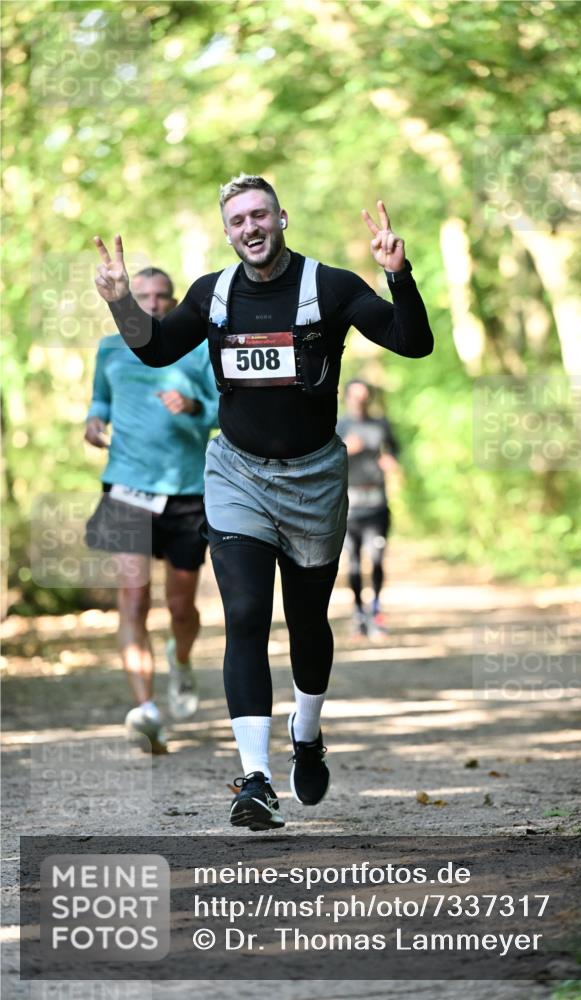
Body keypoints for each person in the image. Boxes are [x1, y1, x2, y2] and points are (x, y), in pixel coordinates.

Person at [92, 174, 433, 829]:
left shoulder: (329, 287)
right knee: (246, 613)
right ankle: (255, 779)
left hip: (313, 479)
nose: (249, 227)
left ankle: (307, 734)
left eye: (259, 215)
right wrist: (119, 303)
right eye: (237, 219)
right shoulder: (212, 294)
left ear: (281, 218)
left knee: (307, 623)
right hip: (237, 475)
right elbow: (157, 346)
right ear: (228, 231)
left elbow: (411, 341)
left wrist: (397, 273)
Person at [85, 267, 219, 754]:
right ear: (130, 299)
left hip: (186, 493)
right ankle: (146, 709)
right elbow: (101, 396)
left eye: (164, 296)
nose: (155, 303)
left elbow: (226, 409)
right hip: (127, 488)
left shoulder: (199, 348)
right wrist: (95, 417)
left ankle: (180, 662)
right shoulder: (110, 348)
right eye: (144, 296)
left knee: (181, 607)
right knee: (134, 599)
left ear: (174, 300)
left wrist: (195, 407)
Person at [337, 379, 400, 639]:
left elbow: (396, 448)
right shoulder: (339, 426)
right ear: (348, 398)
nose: (360, 401)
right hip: (350, 508)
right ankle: (358, 614)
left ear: (369, 399)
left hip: (377, 504)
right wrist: (345, 451)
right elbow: (325, 460)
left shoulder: (380, 424)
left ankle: (376, 610)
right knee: (352, 563)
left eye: (364, 397)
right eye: (355, 397)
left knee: (375, 559)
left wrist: (391, 459)